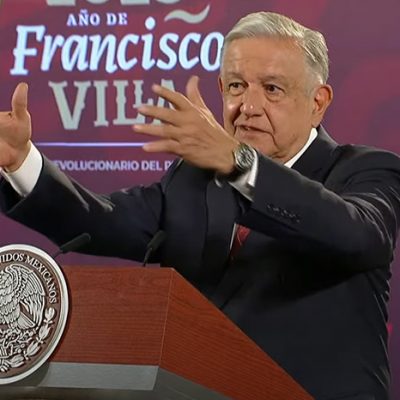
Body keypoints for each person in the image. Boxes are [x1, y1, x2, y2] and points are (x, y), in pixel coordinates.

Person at [0, 11, 399, 400]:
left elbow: (357, 234)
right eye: (237, 86)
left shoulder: (367, 170)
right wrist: (22, 162)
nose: (249, 106)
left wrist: (241, 164)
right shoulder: (193, 179)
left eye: (272, 89)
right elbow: (103, 222)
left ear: (318, 102)